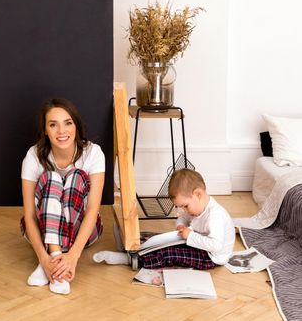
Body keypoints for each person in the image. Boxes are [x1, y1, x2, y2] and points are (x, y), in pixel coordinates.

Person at [20, 98, 105, 295]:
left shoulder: (93, 153)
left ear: (76, 125)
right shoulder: (33, 156)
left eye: (68, 123)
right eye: (53, 125)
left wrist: (73, 257)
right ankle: (55, 259)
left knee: (75, 176)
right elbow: (30, 215)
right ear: (45, 131)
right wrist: (44, 258)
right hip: (42, 233)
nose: (61, 131)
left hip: (82, 231)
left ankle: (54, 265)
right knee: (52, 178)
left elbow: (92, 210)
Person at [94, 168, 235, 270]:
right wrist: (180, 226)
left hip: (211, 256)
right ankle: (128, 246)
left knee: (169, 253)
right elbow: (183, 218)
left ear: (198, 194)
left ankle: (130, 259)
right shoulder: (195, 208)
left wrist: (190, 236)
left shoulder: (215, 216)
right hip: (197, 241)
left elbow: (216, 245)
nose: (184, 210)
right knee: (154, 238)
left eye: (185, 206)